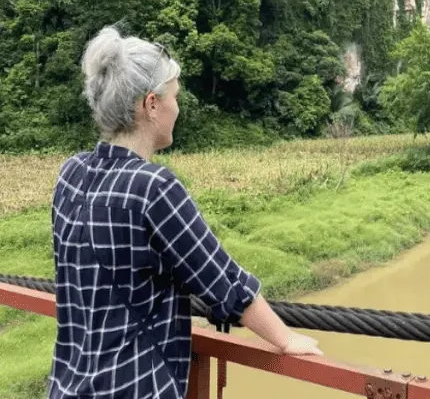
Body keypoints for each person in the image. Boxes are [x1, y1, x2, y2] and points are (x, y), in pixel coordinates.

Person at [48, 26, 322, 399]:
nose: (178, 107)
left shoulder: (71, 174)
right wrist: (286, 338)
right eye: (173, 96)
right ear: (151, 104)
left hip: (66, 388)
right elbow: (223, 282)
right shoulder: (153, 189)